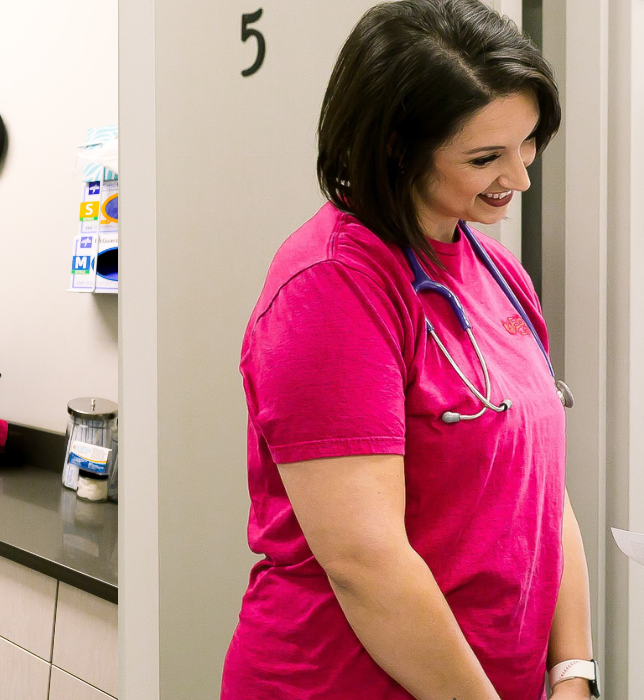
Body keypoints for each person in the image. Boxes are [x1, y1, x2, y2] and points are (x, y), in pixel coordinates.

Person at [221, 2, 595, 698]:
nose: (520, 178)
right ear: (396, 145)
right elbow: (365, 559)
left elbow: (542, 487)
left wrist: (574, 670)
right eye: (485, 157)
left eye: (529, 143)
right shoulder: (331, 285)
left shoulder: (498, 272)